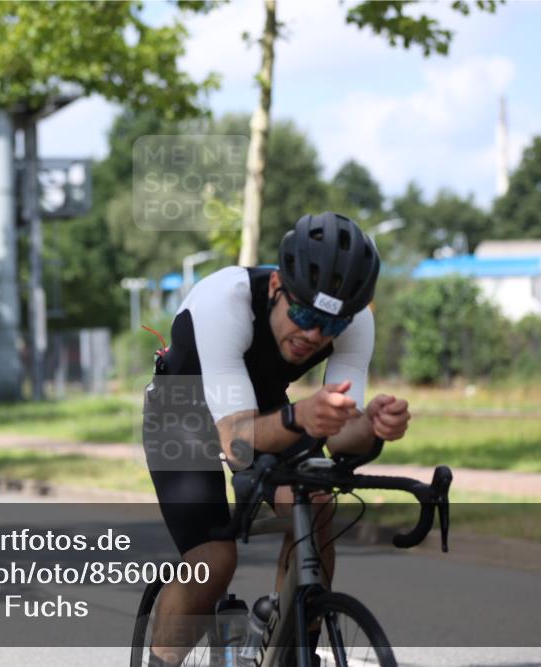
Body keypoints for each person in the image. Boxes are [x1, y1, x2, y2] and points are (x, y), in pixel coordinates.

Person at [142, 212, 413, 666]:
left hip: (266, 409)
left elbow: (344, 439)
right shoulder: (223, 301)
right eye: (304, 315)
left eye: (330, 326)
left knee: (318, 504)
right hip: (183, 412)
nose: (314, 335)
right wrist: (303, 415)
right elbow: (237, 443)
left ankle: (288, 641)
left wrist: (372, 426)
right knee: (211, 560)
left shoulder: (355, 322)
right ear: (275, 289)